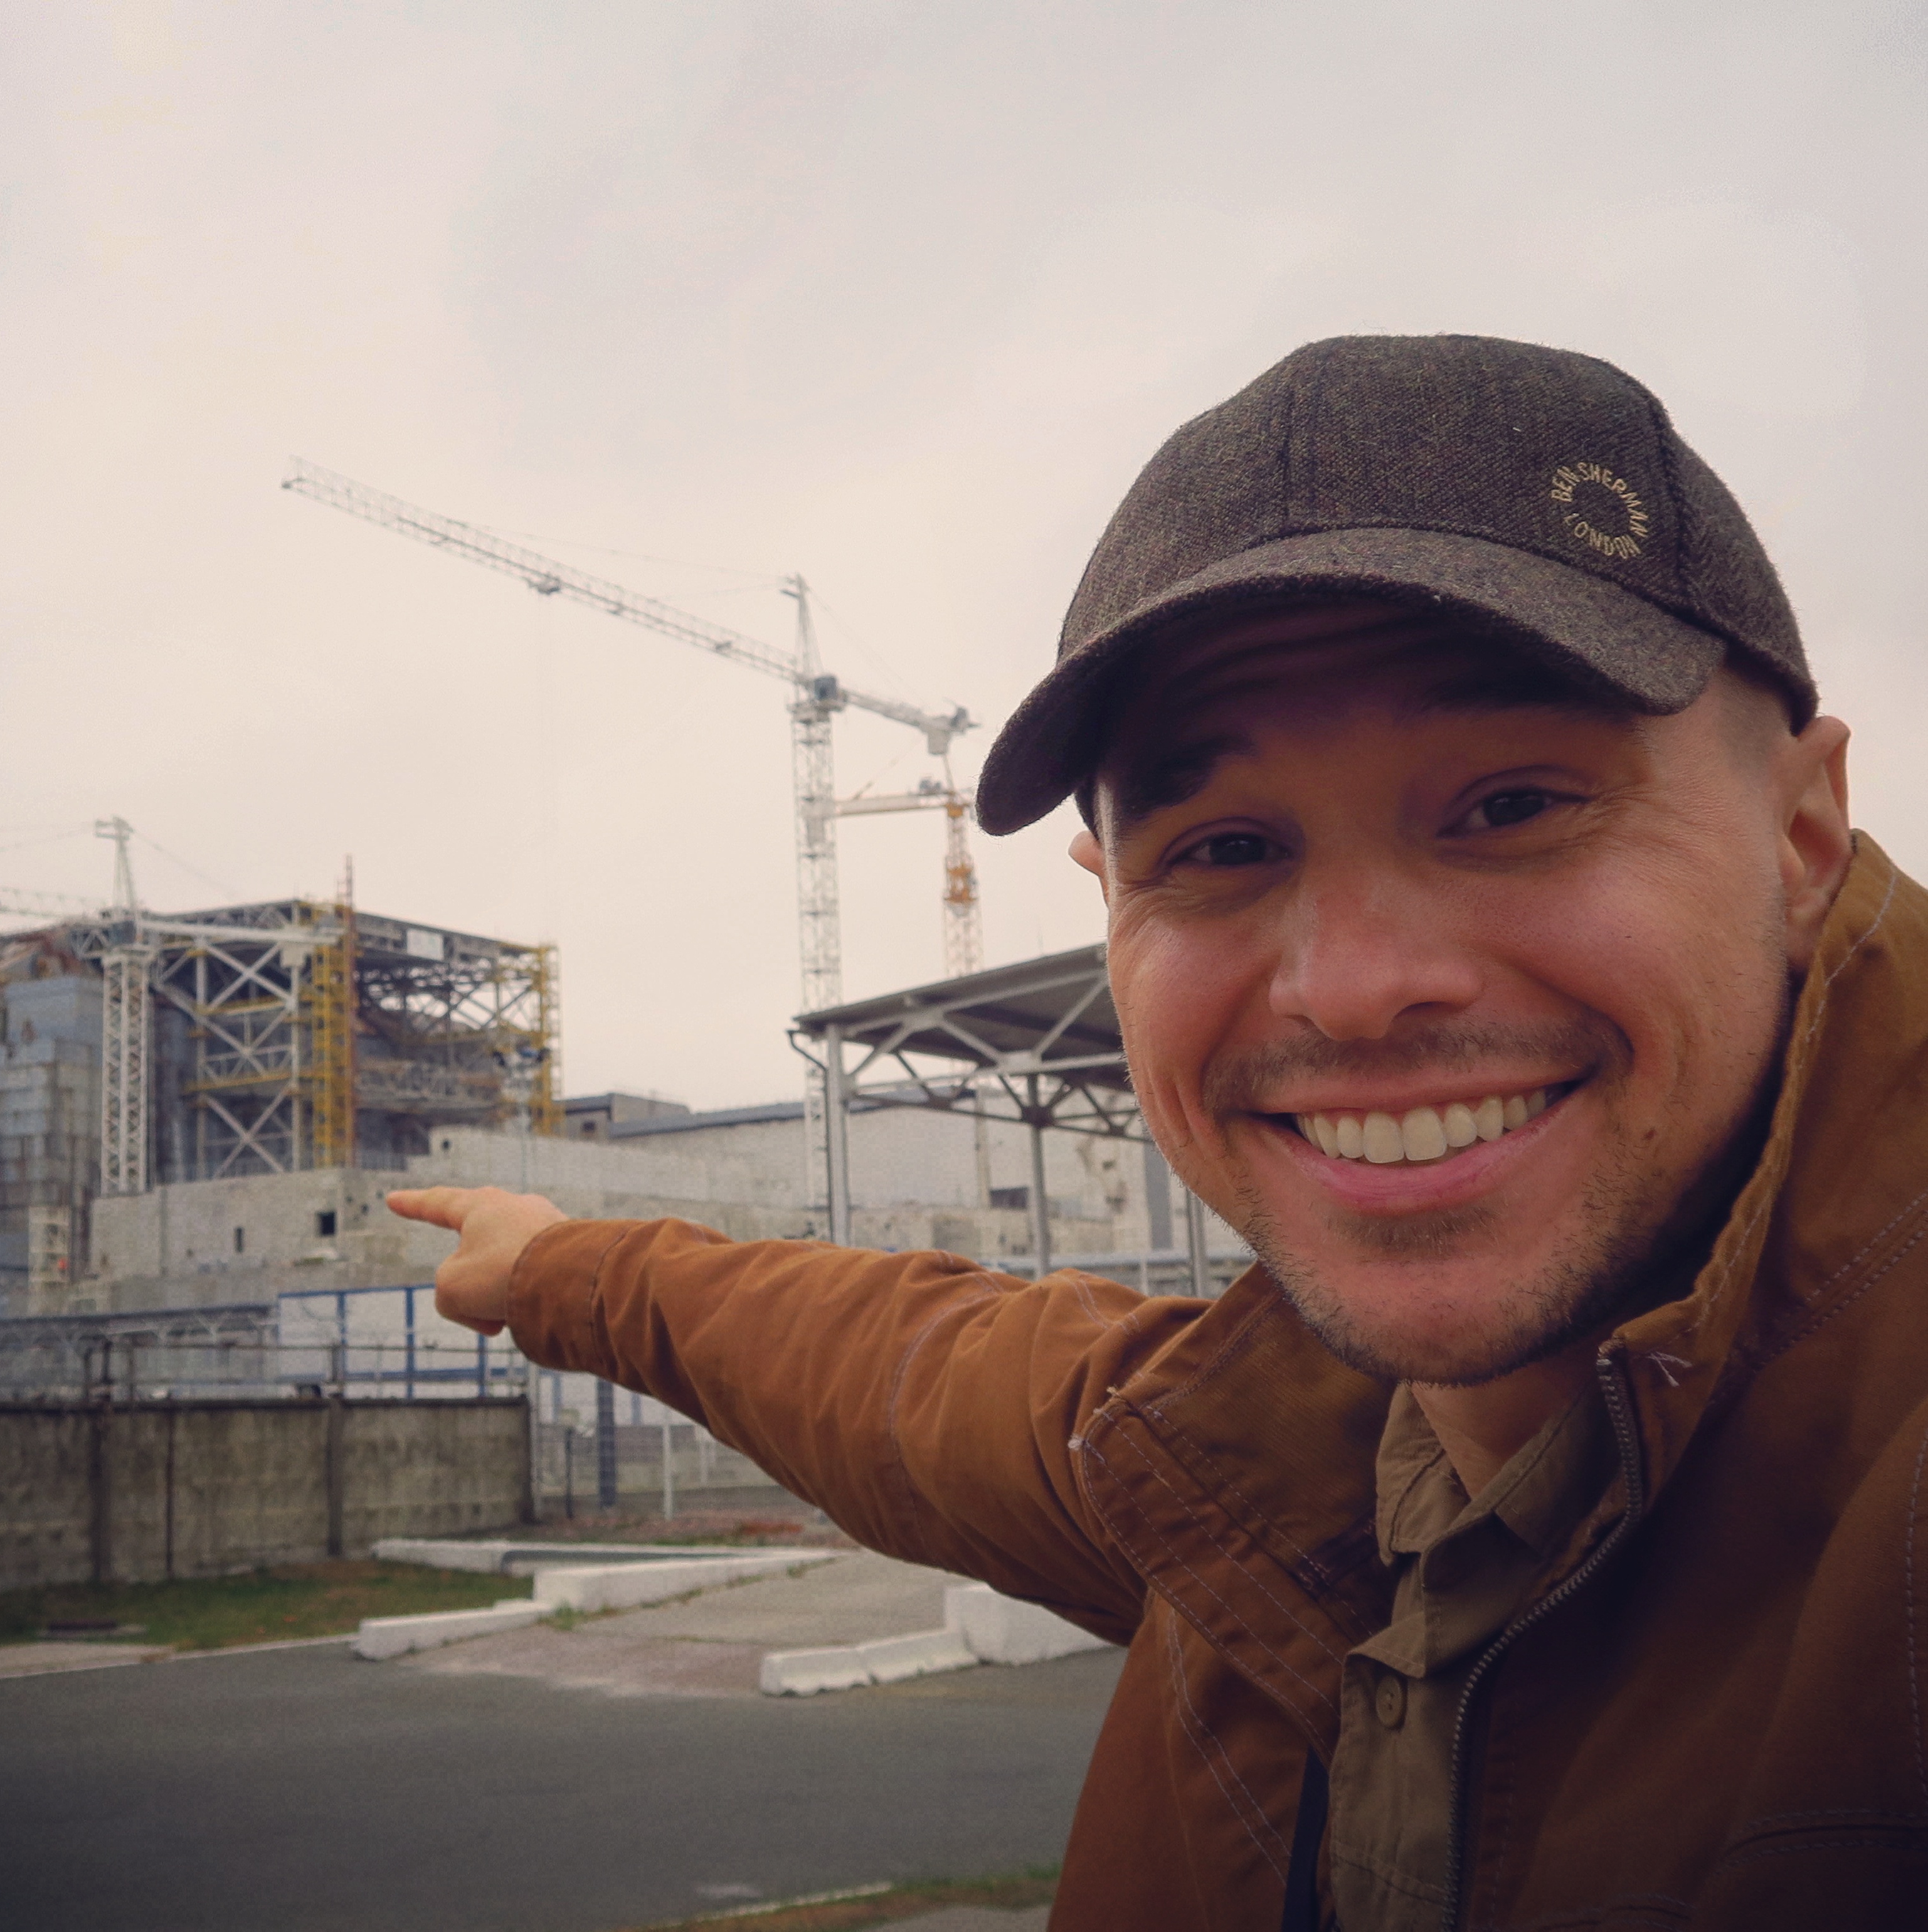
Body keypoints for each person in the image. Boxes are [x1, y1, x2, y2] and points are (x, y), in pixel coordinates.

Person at [389, 336, 1928, 1928]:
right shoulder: (1266, 1473)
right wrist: (556, 1267)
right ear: (1113, 905)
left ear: (1804, 832)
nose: (1350, 988)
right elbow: (898, 1369)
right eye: (1226, 846)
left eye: (1514, 804)